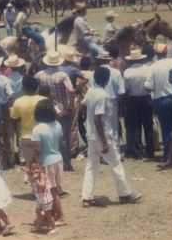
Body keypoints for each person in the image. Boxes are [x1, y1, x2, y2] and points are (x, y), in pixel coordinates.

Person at [81, 67, 142, 207]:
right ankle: (125, 193)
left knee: (91, 165)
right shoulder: (103, 95)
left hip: (91, 135)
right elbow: (98, 118)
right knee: (116, 164)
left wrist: (87, 121)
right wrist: (104, 141)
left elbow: (83, 106)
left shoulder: (90, 92)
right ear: (107, 79)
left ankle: (87, 196)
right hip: (103, 135)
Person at [34, 51, 75, 171]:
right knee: (63, 137)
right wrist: (70, 106)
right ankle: (66, 163)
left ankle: (47, 162)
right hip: (61, 109)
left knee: (45, 136)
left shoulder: (39, 75)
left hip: (45, 108)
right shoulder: (62, 75)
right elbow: (71, 91)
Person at [29, 99, 65, 223]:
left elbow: (37, 150)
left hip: (46, 162)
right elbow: (60, 142)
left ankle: (60, 216)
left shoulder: (38, 129)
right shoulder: (58, 124)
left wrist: (32, 163)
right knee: (55, 189)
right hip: (58, 159)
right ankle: (54, 214)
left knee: (51, 191)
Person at [123, 49, 154, 159]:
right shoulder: (148, 69)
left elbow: (125, 89)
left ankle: (134, 150)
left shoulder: (127, 72)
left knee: (133, 126)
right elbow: (150, 85)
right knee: (148, 126)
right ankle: (150, 150)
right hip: (146, 98)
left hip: (133, 100)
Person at [10, 76, 44, 168]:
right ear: (37, 87)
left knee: (29, 167)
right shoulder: (43, 100)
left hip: (25, 137)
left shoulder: (18, 101)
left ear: (23, 87)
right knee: (41, 166)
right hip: (41, 137)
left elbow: (14, 119)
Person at [26, 162, 56, 234]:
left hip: (46, 199)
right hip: (39, 199)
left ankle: (53, 228)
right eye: (33, 169)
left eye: (37, 168)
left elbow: (42, 186)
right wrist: (29, 175)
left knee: (48, 215)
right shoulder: (32, 176)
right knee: (38, 212)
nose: (35, 170)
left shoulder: (43, 176)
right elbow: (30, 181)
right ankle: (38, 226)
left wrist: (36, 179)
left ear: (41, 169)